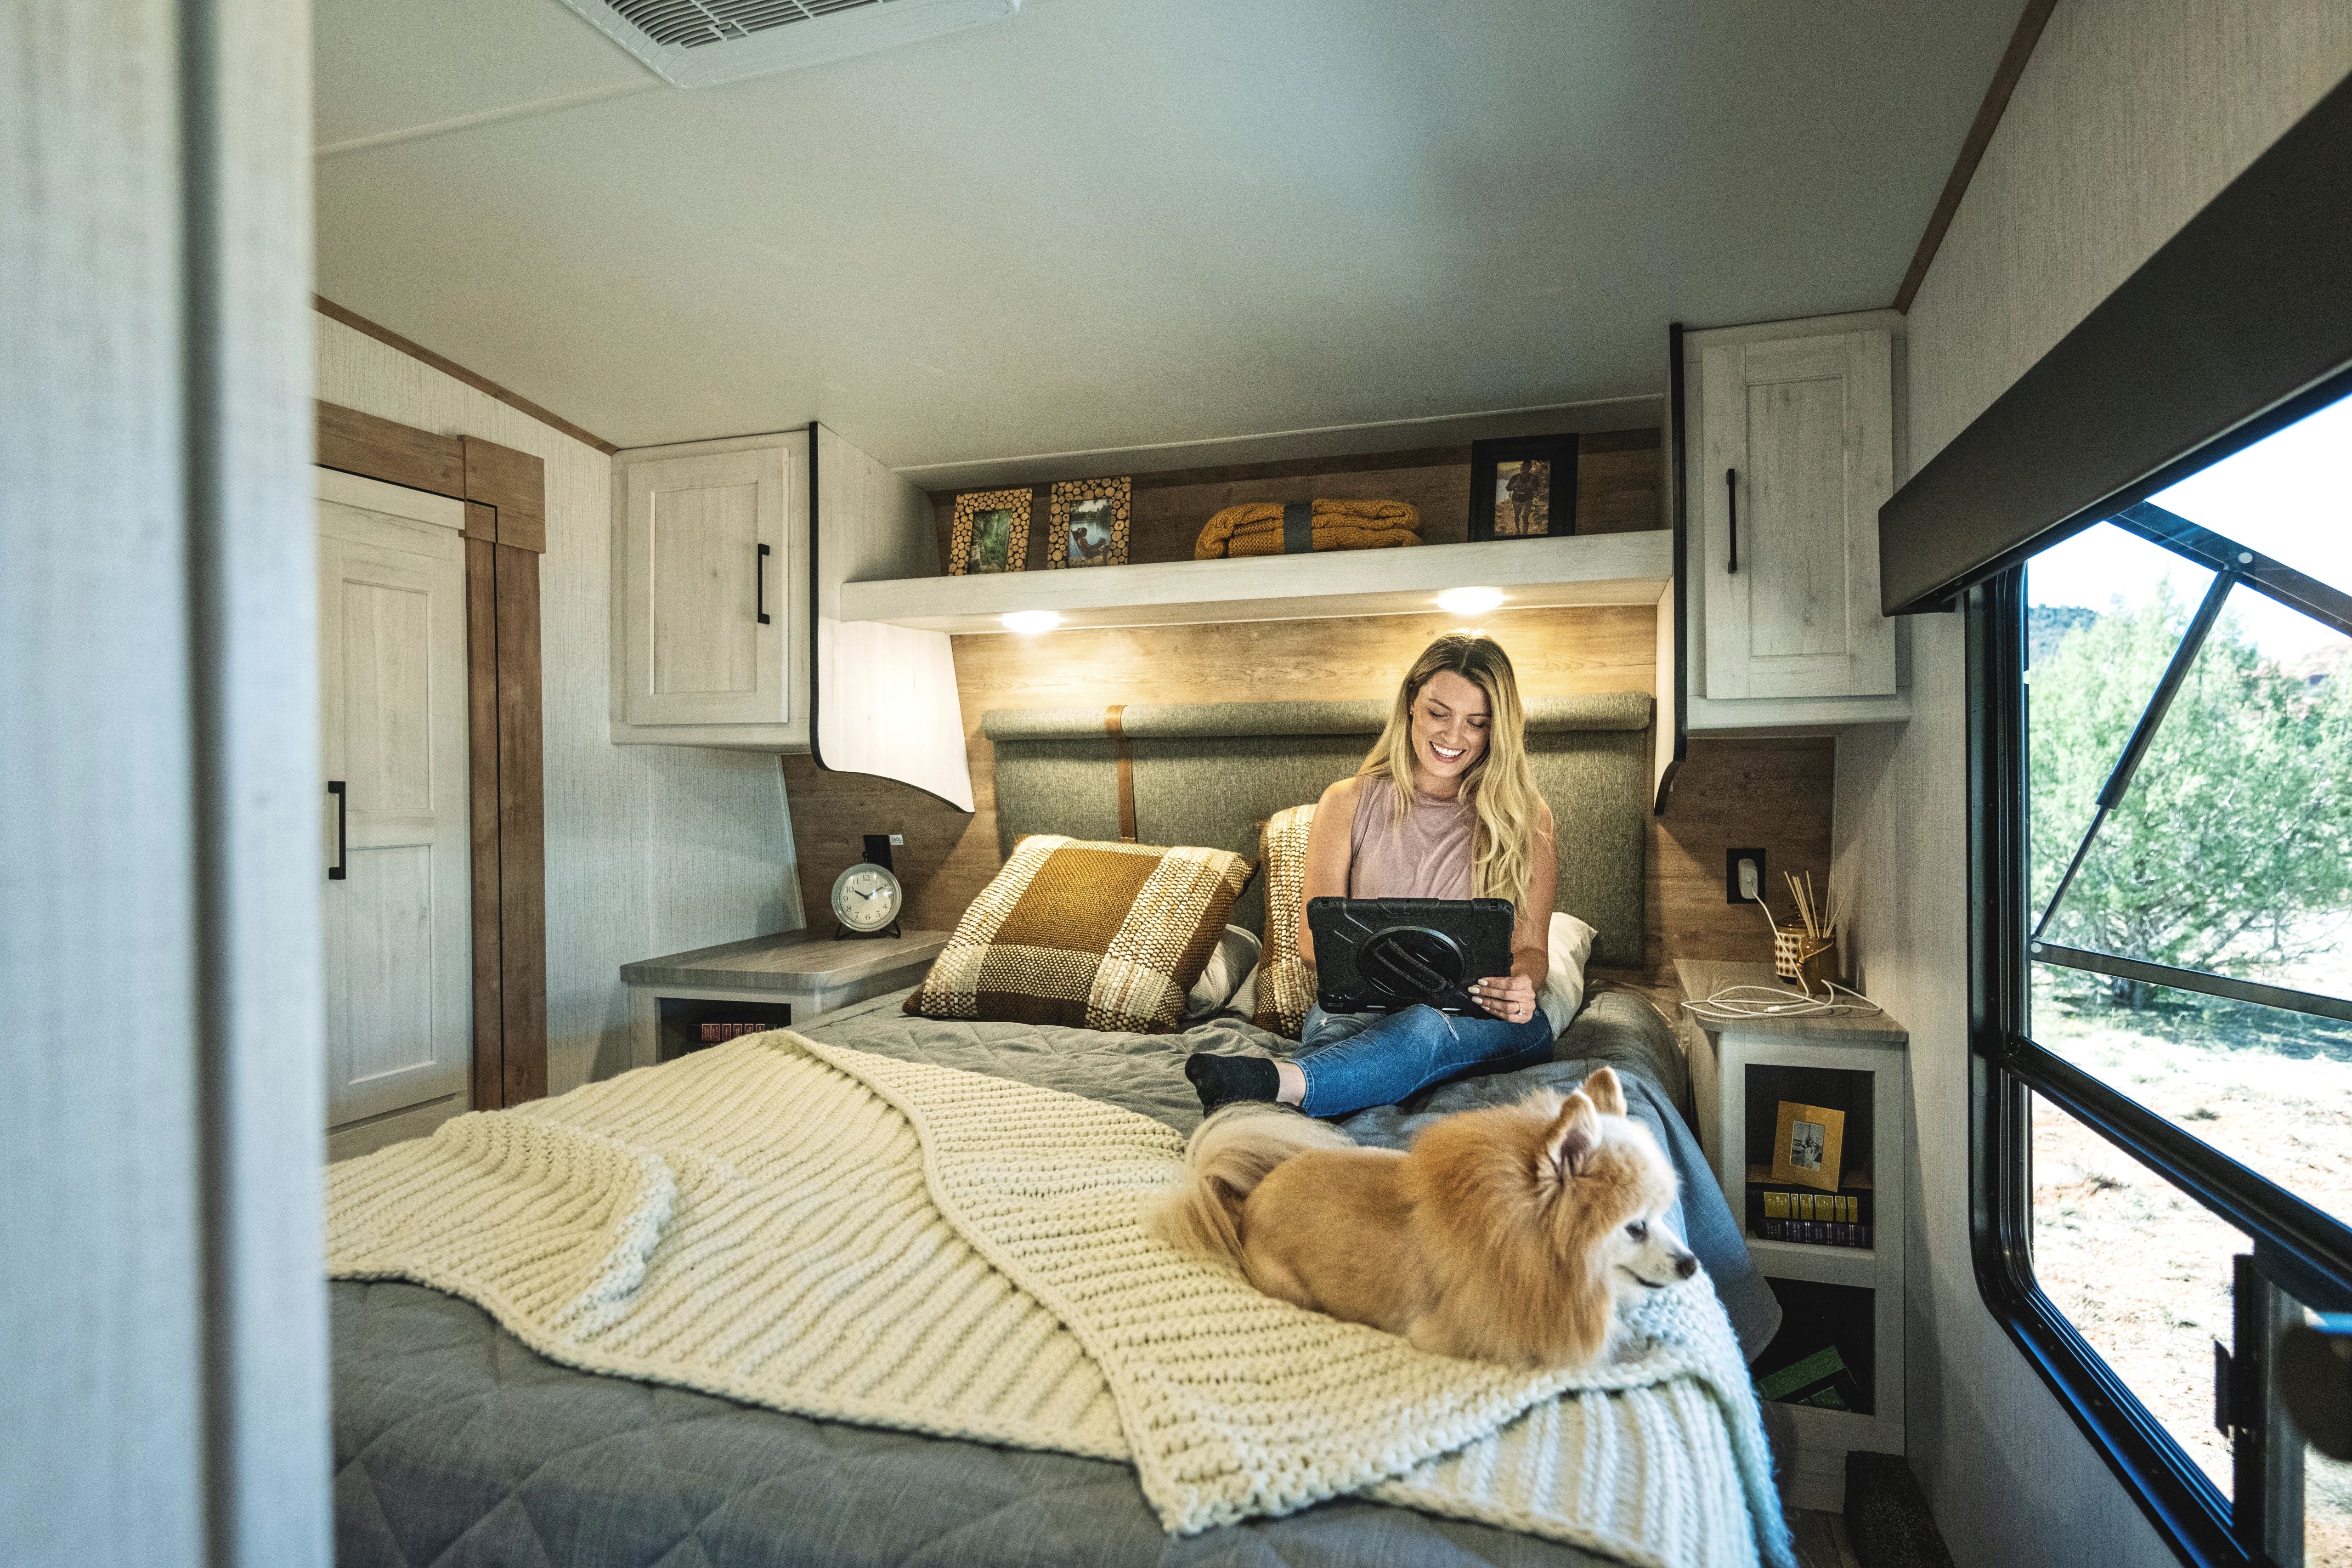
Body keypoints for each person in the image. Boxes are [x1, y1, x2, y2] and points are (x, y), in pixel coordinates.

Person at [1186, 631, 1557, 1118]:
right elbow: (1310, 941)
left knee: (1424, 1026)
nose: (1452, 737)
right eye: (1438, 712)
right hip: (1360, 1010)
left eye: (1476, 723)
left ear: (1496, 730)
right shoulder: (1345, 801)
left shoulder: (1527, 816)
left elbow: (1531, 952)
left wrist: (1520, 985)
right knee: (1343, 1037)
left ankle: (1279, 1082)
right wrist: (1391, 986)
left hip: (1481, 1019)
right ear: (1409, 703)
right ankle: (1284, 1099)